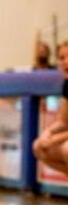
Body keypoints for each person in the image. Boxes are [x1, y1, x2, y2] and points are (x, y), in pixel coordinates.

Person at [33, 42, 68, 174]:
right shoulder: (67, 84)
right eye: (61, 58)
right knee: (38, 147)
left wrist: (54, 139)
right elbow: (63, 122)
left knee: (67, 149)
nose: (65, 62)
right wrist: (46, 134)